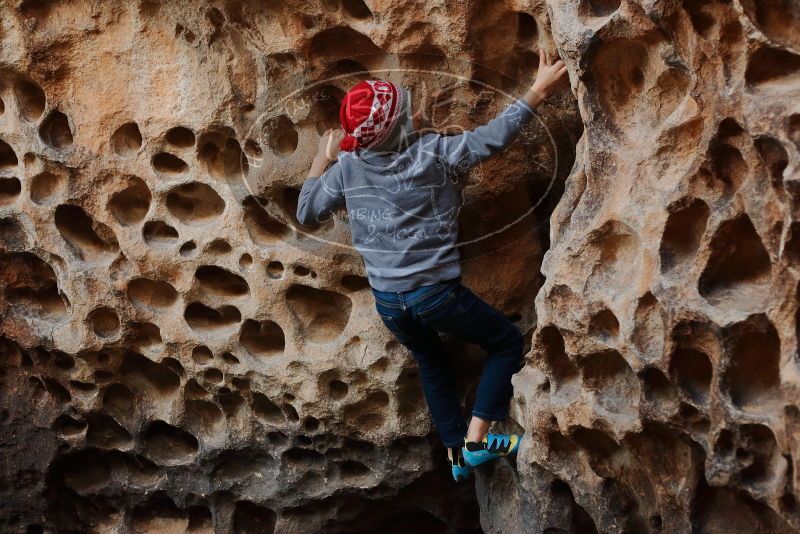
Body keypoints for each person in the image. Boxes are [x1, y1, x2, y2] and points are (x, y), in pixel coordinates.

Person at [297, 50, 569, 481]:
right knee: (505, 344)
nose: (417, 111)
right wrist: (536, 91)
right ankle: (477, 442)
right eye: (409, 110)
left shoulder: (349, 165)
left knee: (432, 362)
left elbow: (307, 211)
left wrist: (322, 161)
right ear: (401, 128)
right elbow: (492, 138)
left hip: (389, 302)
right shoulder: (435, 153)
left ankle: (455, 456)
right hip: (437, 296)